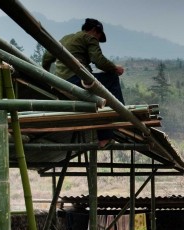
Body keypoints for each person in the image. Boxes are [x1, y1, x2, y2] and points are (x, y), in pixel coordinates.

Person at [42, 18, 125, 147]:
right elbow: (98, 60)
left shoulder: (65, 39)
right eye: (98, 36)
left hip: (61, 83)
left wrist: (45, 75)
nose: (97, 40)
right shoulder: (89, 37)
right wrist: (115, 68)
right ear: (93, 30)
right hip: (77, 80)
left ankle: (105, 137)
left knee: (97, 99)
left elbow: (46, 58)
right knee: (111, 79)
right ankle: (121, 112)